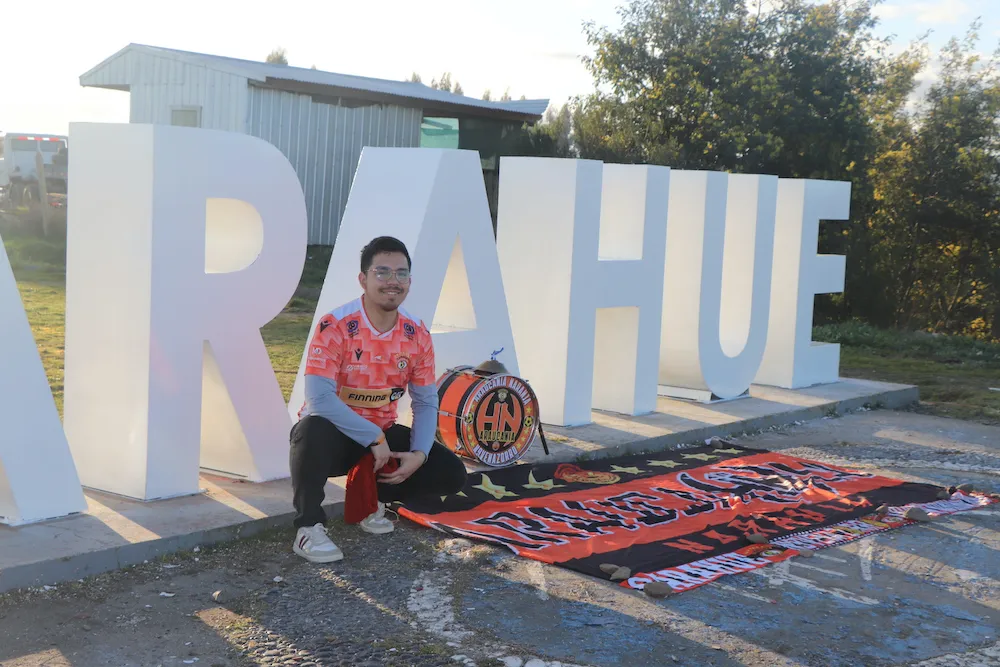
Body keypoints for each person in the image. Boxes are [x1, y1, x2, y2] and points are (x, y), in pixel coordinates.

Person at [289, 235, 468, 563]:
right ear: (363, 279)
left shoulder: (417, 335)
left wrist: (419, 453)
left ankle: (375, 502)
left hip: (380, 444)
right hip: (334, 438)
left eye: (401, 274)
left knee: (452, 474)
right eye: (382, 272)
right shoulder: (336, 326)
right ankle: (308, 527)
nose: (392, 281)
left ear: (409, 282)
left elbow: (426, 402)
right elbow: (319, 398)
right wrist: (372, 436)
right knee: (309, 431)